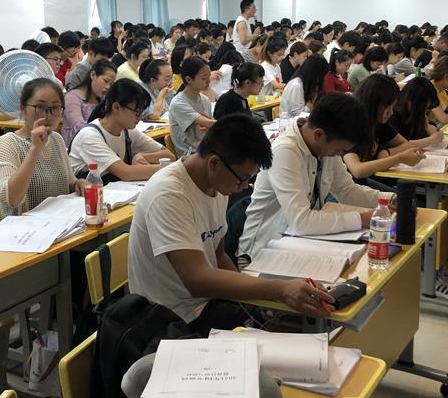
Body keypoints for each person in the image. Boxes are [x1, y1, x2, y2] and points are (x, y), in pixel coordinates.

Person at [127, 114, 333, 333]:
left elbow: (218, 255)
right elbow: (196, 280)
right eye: (242, 178)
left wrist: (251, 301)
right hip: (170, 318)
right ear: (214, 163)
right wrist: (279, 290)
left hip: (205, 304)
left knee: (288, 320)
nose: (244, 187)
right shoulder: (169, 195)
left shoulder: (216, 182)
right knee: (284, 334)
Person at [238, 93, 384, 257]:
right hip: (262, 251)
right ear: (318, 135)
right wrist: (361, 219)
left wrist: (388, 200)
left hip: (301, 241)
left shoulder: (324, 146)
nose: (339, 154)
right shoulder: (285, 151)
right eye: (339, 149)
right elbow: (300, 221)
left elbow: (346, 190)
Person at [0, 77, 83, 217]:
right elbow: (12, 199)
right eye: (40, 107)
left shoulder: (56, 139)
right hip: (24, 227)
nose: (48, 115)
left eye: (55, 108)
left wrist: (79, 184)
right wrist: (35, 149)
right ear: (23, 108)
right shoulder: (8, 142)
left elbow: (69, 183)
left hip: (60, 222)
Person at [69, 79, 173, 181]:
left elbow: (169, 156)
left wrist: (142, 156)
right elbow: (126, 173)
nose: (140, 117)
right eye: (137, 112)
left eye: (142, 112)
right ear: (116, 107)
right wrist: (170, 168)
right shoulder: (89, 137)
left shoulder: (127, 131)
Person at [343, 75, 435, 186]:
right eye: (388, 107)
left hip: (368, 179)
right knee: (403, 193)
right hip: (350, 184)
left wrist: (385, 152)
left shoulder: (379, 123)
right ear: (374, 104)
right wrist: (400, 158)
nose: (391, 112)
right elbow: (357, 170)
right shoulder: (353, 125)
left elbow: (407, 145)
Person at [62, 59, 116, 148]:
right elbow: (78, 127)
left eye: (111, 84)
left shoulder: (103, 99)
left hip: (98, 144)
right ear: (93, 75)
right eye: (106, 81)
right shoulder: (72, 97)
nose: (108, 87)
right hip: (77, 148)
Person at [168, 57, 214, 155]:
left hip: (206, 150)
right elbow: (209, 123)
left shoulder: (204, 100)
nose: (208, 81)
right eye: (204, 78)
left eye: (209, 77)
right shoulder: (178, 103)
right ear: (189, 79)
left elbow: (211, 127)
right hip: (190, 156)